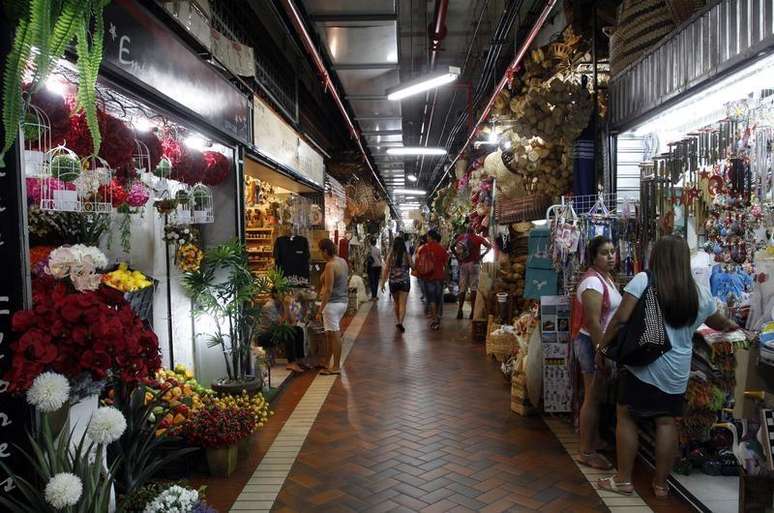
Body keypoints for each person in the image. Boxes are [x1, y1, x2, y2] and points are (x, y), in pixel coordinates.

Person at [597, 236, 738, 497]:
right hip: (677, 369)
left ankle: (624, 480)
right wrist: (732, 326)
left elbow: (619, 320)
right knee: (666, 422)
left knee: (626, 415)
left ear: (657, 256)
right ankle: (661, 485)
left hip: (644, 364)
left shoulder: (644, 280)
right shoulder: (697, 292)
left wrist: (603, 347)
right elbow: (718, 323)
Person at [573, 236, 621, 470]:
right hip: (592, 343)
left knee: (596, 395)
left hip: (599, 343)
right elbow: (592, 322)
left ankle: (593, 440)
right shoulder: (592, 283)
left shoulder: (606, 278)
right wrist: (602, 350)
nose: (611, 256)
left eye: (612, 251)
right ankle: (586, 451)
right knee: (592, 397)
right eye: (604, 252)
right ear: (593, 256)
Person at [316, 239, 349, 375]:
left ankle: (335, 366)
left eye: (320, 251)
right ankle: (327, 361)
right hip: (342, 302)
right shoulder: (342, 261)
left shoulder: (330, 265)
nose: (320, 254)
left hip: (332, 304)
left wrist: (320, 309)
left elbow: (328, 290)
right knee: (330, 334)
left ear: (325, 251)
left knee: (335, 335)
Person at [257, 288, 306, 374]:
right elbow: (280, 325)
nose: (286, 295)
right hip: (264, 335)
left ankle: (300, 359)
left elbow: (292, 322)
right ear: (275, 294)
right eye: (283, 292)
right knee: (287, 333)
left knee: (298, 330)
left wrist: (286, 307)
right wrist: (286, 306)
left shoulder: (281, 305)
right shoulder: (269, 306)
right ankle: (291, 363)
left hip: (276, 331)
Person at [452, 224, 492, 319]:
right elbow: (490, 246)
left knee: (462, 288)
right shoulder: (478, 238)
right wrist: (482, 255)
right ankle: (472, 312)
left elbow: (452, 246)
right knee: (474, 288)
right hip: (474, 264)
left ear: (466, 230)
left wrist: (458, 257)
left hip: (464, 265)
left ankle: (460, 310)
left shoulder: (461, 237)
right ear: (474, 230)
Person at [416, 230, 449, 330]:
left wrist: (420, 274)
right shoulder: (442, 249)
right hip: (439, 277)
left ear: (430, 237)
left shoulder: (423, 248)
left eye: (427, 236)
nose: (426, 238)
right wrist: (446, 277)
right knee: (438, 298)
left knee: (431, 299)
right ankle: (437, 317)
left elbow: (419, 263)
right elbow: (446, 265)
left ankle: (435, 320)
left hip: (428, 277)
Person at [381, 236, 412, 333]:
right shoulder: (406, 254)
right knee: (402, 304)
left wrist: (382, 283)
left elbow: (386, 269)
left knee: (396, 303)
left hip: (393, 282)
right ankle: (400, 322)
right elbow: (412, 265)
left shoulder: (391, 254)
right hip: (405, 282)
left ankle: (398, 320)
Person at [415, 235, 429, 311]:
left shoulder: (420, 248)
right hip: (429, 270)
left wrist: (416, 268)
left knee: (423, 284)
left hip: (422, 270)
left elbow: (417, 259)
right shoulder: (429, 247)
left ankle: (426, 297)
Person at [366, 237, 383, 301]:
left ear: (370, 242)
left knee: (372, 282)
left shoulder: (369, 249)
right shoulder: (378, 249)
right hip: (378, 266)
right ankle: (375, 296)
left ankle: (373, 297)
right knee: (376, 281)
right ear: (375, 242)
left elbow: (367, 257)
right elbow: (380, 259)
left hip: (372, 266)